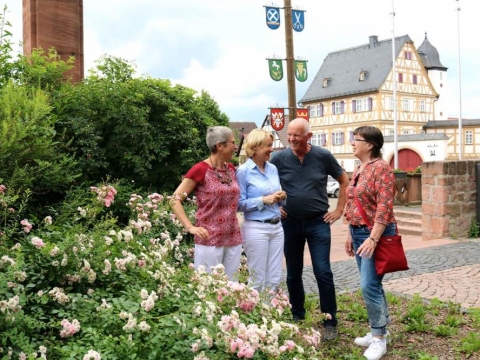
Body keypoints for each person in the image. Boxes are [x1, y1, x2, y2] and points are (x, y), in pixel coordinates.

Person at [269, 118, 349, 340]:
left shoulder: (322, 156)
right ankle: (297, 314)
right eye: (290, 135)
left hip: (318, 222)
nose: (292, 139)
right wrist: (277, 207)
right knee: (293, 273)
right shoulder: (279, 158)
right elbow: (265, 182)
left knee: (323, 271)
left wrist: (339, 210)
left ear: (308, 137)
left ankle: (329, 319)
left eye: (297, 135)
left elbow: (344, 180)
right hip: (290, 222)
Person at [344, 126, 396, 360]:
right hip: (358, 233)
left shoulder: (382, 168)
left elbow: (384, 208)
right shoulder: (360, 168)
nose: (353, 143)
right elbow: (354, 204)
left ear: (371, 144)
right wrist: (349, 233)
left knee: (369, 286)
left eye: (357, 139)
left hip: (376, 234)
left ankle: (379, 339)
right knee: (373, 285)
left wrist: (374, 238)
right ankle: (380, 330)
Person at [170, 126, 242, 279]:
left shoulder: (230, 169)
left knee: (233, 288)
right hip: (209, 240)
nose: (235, 147)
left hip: (233, 238)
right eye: (232, 143)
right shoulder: (200, 169)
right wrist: (190, 227)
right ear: (219, 146)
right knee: (208, 288)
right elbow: (174, 200)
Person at [236, 129, 286, 294]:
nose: (271, 149)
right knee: (257, 277)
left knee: (274, 277)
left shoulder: (272, 168)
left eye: (271, 145)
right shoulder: (243, 171)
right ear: (255, 147)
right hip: (256, 228)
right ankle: (253, 315)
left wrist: (282, 196)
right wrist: (262, 200)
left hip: (277, 227)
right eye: (268, 146)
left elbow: (276, 198)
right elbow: (238, 204)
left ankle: (269, 315)